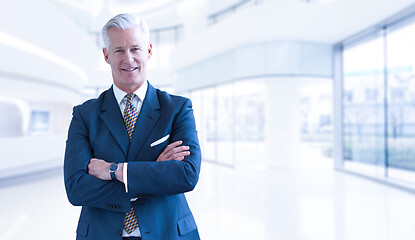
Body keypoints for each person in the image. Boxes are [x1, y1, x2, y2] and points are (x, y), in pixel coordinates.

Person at [64, 13, 201, 240]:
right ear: (106, 55)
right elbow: (76, 188)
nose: (128, 59)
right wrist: (154, 171)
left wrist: (114, 170)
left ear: (148, 51)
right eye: (119, 50)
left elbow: (186, 175)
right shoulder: (85, 115)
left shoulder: (177, 109)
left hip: (168, 233)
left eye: (135, 49)